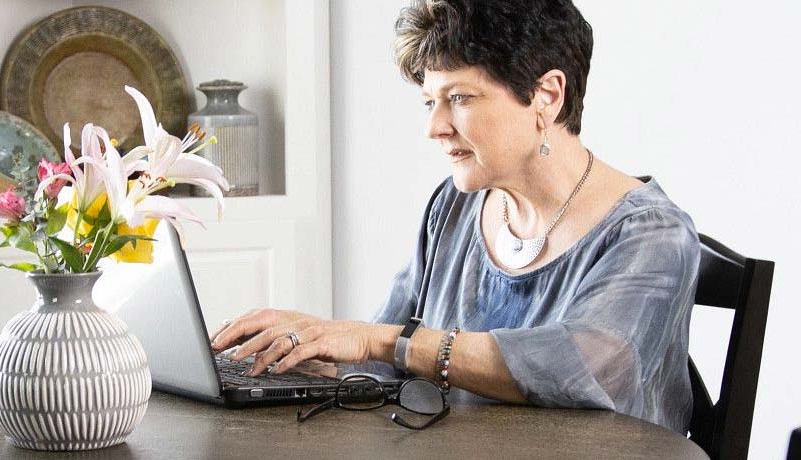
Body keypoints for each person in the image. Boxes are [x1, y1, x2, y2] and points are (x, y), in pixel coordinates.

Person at [208, 0, 697, 432]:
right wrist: (296, 358)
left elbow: (576, 368)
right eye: (430, 102)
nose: (434, 128)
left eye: (459, 98)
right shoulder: (456, 205)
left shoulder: (652, 235)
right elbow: (382, 360)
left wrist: (376, 342)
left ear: (547, 96)